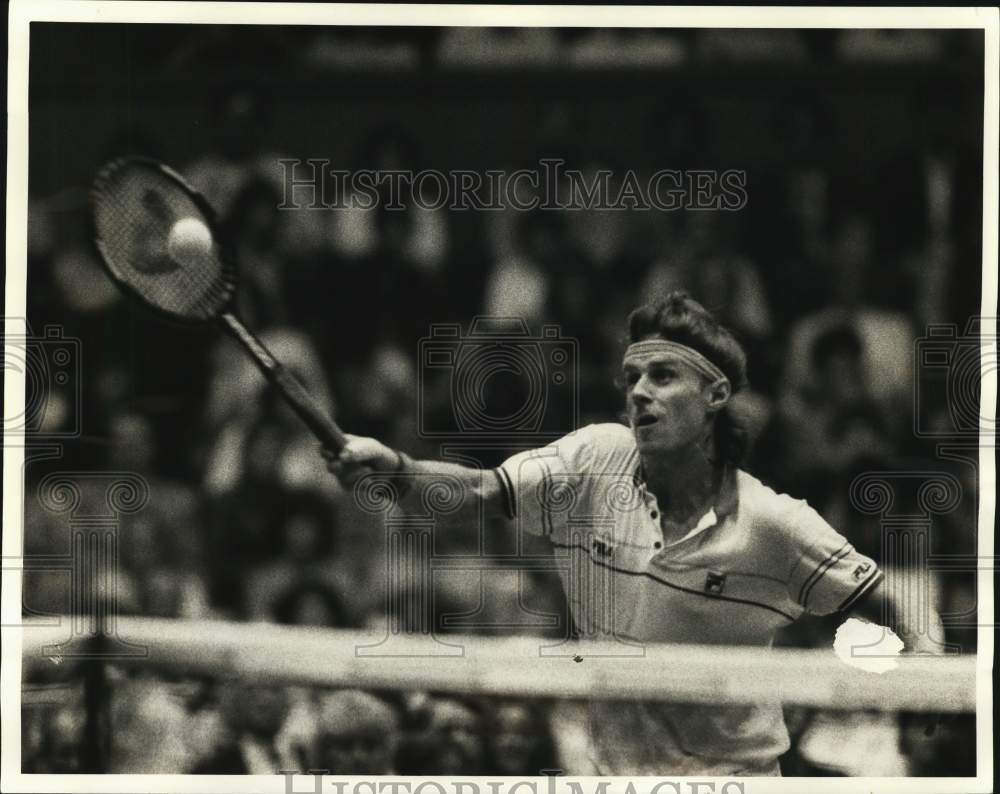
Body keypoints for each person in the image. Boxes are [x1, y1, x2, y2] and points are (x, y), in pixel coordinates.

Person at [323, 291, 923, 776]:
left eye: (663, 375)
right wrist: (398, 468)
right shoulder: (595, 457)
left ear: (715, 395)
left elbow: (893, 612)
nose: (638, 392)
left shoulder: (773, 523)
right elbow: (482, 489)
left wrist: (918, 693)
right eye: (632, 376)